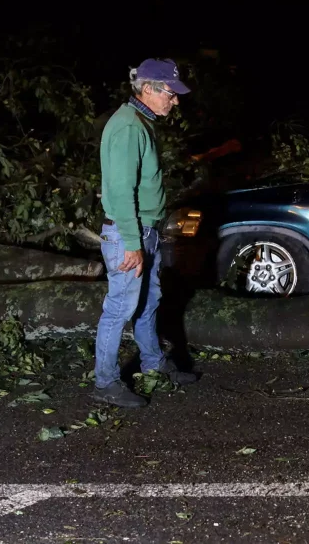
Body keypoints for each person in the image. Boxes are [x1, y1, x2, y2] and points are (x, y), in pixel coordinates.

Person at [93, 58, 199, 408]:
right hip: (129, 234)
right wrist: (134, 244)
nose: (176, 100)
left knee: (148, 303)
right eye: (171, 92)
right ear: (149, 89)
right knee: (119, 309)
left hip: (144, 231)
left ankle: (154, 364)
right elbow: (121, 192)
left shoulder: (140, 121)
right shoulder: (127, 127)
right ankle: (105, 383)